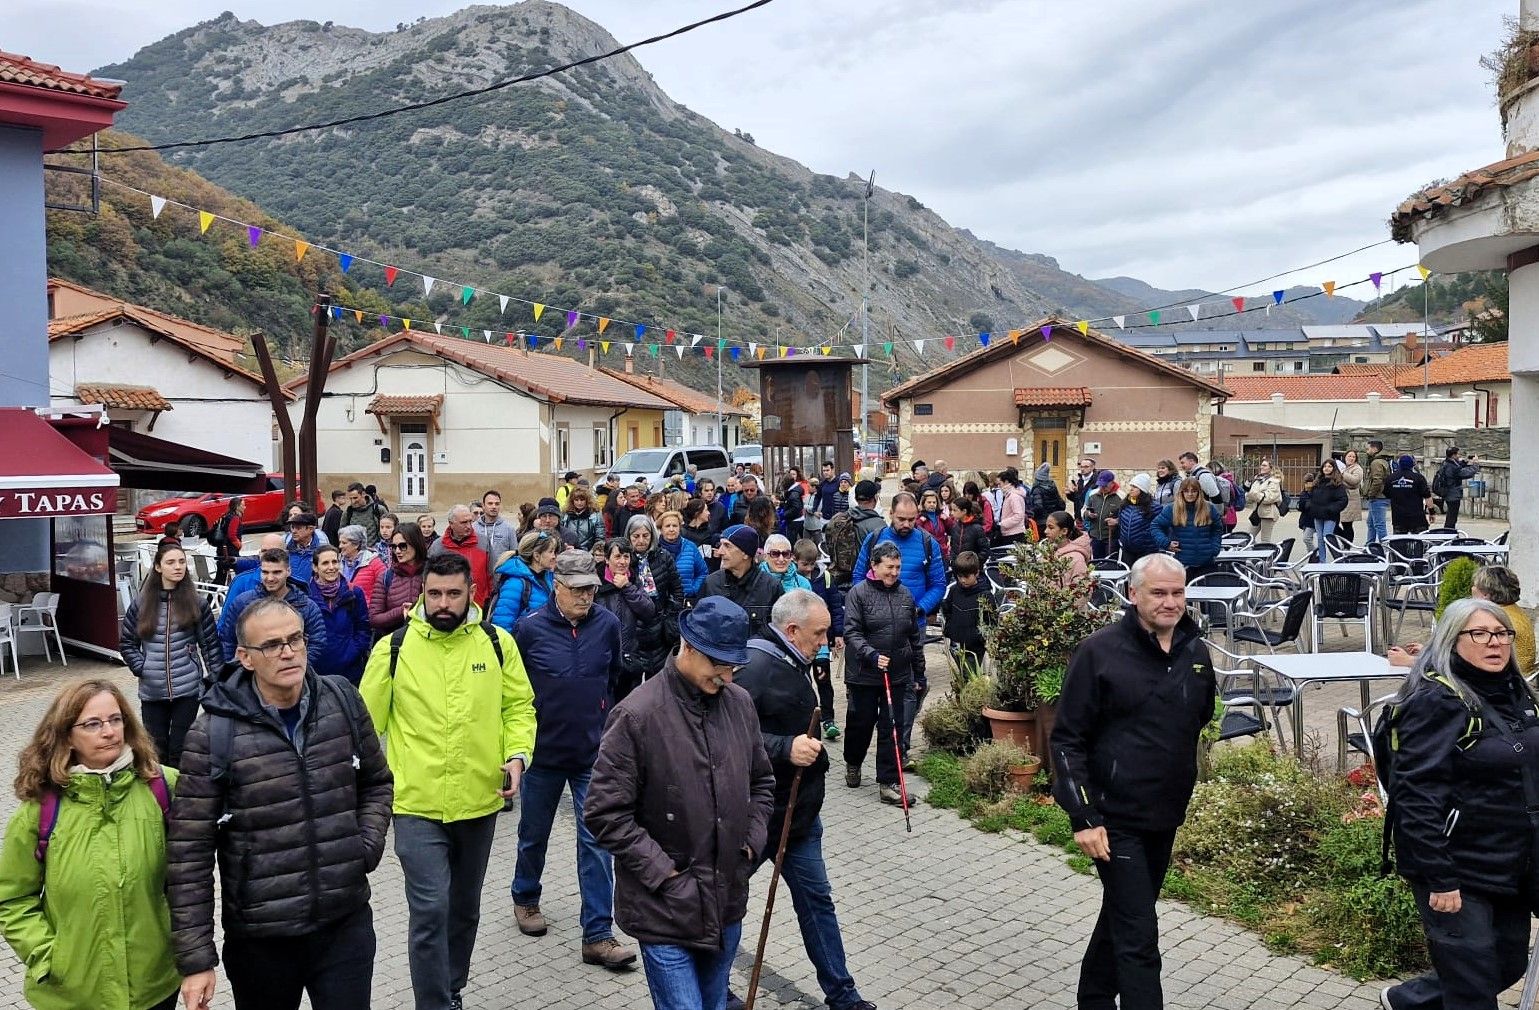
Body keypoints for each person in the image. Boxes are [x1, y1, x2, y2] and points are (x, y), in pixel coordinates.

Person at [169, 597, 393, 1010]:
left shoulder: (342, 701)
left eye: (295, 639)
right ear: (245, 658)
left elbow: (377, 783)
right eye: (272, 645)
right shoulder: (212, 733)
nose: (288, 652)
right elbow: (188, 854)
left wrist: (363, 847)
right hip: (262, 939)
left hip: (344, 924)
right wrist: (197, 958)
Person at [361, 552, 536, 1010]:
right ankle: (434, 1003)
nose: (442, 603)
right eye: (434, 593)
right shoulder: (393, 648)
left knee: (463, 910)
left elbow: (519, 709)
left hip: (480, 800)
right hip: (415, 804)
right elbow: (363, 728)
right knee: (430, 909)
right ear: (422, 592)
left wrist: (517, 756)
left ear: (470, 594)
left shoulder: (497, 644)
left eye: (452, 594)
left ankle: (452, 987)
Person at [585, 597, 774, 1010]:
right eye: (718, 664)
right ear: (688, 646)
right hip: (664, 909)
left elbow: (762, 782)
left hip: (725, 902)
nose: (726, 675)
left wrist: (750, 845)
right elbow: (603, 811)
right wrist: (665, 874)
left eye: (733, 665)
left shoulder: (740, 704)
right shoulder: (637, 714)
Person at [1052, 553, 1214, 1010]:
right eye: (1158, 593)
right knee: (1139, 936)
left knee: (1124, 916)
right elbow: (1067, 741)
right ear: (1133, 595)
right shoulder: (1099, 652)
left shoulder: (1194, 652)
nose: (1170, 602)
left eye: (1178, 592)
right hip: (1112, 819)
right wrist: (1083, 816)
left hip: (1164, 814)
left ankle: (1094, 999)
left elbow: (1200, 714)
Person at [1379, 600, 1539, 1010]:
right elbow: (1415, 796)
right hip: (1457, 868)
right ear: (1452, 641)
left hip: (1510, 864)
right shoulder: (1435, 702)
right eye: (1480, 634)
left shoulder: (1516, 694)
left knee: (1505, 965)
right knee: (1473, 990)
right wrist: (1440, 876)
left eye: (1502, 633)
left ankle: (1408, 1001)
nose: (1495, 643)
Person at [732, 590, 878, 1010]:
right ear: (792, 630)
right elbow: (725, 736)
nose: (826, 641)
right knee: (726, 903)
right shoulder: (753, 667)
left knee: (818, 904)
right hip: (757, 817)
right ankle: (714, 989)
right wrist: (783, 747)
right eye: (819, 633)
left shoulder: (795, 660)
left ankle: (844, 996)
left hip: (800, 816)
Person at [0, 680, 181, 1010]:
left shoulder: (163, 787)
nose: (109, 732)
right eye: (92, 724)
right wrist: (49, 957)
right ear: (67, 734)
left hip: (153, 985)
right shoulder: (40, 809)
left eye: (116, 719)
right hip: (73, 992)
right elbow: (12, 898)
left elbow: (191, 876)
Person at [509, 550, 634, 968]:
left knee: (597, 841)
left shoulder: (608, 625)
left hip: (592, 753)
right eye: (577, 589)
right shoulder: (528, 630)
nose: (586, 596)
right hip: (542, 754)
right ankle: (525, 895)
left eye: (591, 589)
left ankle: (598, 933)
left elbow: (614, 677)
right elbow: (514, 694)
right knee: (533, 833)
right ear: (556, 587)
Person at [120, 541, 220, 767]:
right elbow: (127, 643)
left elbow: (211, 646)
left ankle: (181, 797)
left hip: (188, 689)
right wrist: (142, 667)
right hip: (152, 690)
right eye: (171, 562)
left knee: (181, 747)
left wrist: (216, 681)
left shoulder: (197, 603)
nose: (178, 567)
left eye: (182, 562)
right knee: (156, 749)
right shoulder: (142, 604)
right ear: (158, 567)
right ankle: (160, 796)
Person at [842, 541, 925, 804]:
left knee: (892, 728)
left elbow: (914, 637)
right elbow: (851, 632)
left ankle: (888, 782)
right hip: (864, 674)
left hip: (897, 674)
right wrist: (872, 655)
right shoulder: (858, 593)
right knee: (861, 724)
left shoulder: (905, 595)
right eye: (889, 567)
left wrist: (919, 673)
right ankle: (853, 762)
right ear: (874, 566)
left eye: (898, 567)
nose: (894, 573)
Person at [219, 547, 328, 666]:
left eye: (276, 572)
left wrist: (294, 667)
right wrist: (234, 671)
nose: (270, 578)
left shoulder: (307, 606)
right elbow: (228, 641)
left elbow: (317, 643)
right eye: (265, 572)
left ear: (288, 571)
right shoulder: (242, 603)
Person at [851, 492, 947, 620]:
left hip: (914, 624)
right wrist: (869, 605)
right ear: (891, 514)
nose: (906, 524)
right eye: (901, 519)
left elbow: (939, 585)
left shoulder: (929, 543)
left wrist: (920, 608)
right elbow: (858, 576)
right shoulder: (874, 539)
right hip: (876, 622)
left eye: (911, 519)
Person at [794, 538, 845, 740]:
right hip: (800, 643)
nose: (808, 569)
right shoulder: (793, 580)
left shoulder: (825, 578)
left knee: (823, 679)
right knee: (802, 681)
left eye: (811, 564)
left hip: (822, 641)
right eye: (804, 565)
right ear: (795, 561)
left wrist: (838, 633)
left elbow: (835, 606)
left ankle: (828, 718)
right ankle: (805, 717)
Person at [595, 538, 658, 700]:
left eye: (626, 557)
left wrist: (627, 587)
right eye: (617, 557)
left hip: (631, 659)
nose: (623, 562)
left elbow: (649, 611)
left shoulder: (635, 580)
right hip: (603, 659)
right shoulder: (596, 584)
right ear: (607, 559)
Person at [625, 516, 685, 680]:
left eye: (645, 536)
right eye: (636, 536)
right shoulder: (625, 560)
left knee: (660, 681)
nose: (641, 541)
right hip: (635, 628)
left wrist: (671, 614)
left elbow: (677, 589)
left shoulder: (663, 556)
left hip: (661, 626)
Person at [306, 544, 373, 685]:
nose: (331, 567)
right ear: (315, 567)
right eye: (325, 563)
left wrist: (354, 651)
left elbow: (363, 627)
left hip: (351, 670)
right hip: (318, 671)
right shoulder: (306, 597)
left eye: (334, 562)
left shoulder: (354, 592)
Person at [489, 530, 560, 633]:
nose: (554, 556)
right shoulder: (514, 584)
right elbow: (502, 625)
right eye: (550, 552)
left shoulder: (549, 577)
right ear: (536, 556)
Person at [1152, 478, 1224, 579]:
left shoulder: (1209, 508)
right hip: (1182, 564)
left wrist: (1214, 548)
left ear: (1199, 492)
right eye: (1186, 491)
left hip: (1207, 563)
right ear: (1181, 492)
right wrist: (1166, 543)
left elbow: (1217, 529)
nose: (1190, 494)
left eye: (1194, 491)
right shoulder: (1172, 509)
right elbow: (1155, 526)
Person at [368, 522, 430, 637]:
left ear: (416, 544)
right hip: (395, 644)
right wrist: (401, 611)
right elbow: (374, 618)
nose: (397, 551)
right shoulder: (386, 577)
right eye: (393, 546)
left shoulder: (434, 573)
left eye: (402, 546)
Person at [1472, 566, 1536, 677]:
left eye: (1474, 586)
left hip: (1506, 681)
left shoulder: (1495, 620)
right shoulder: (1515, 610)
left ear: (1485, 595)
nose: (1472, 589)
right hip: (1521, 676)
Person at [430, 504, 493, 607]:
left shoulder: (483, 542)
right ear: (451, 524)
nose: (468, 526)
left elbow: (492, 573)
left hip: (479, 603)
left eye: (470, 521)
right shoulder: (438, 547)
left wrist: (490, 599)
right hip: (448, 606)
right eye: (464, 523)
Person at [940, 551, 989, 674]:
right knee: (963, 674)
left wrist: (980, 638)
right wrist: (950, 630)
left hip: (975, 647)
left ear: (976, 573)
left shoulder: (985, 596)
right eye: (959, 576)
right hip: (956, 643)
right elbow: (948, 611)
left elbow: (990, 621)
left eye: (966, 577)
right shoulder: (954, 590)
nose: (962, 580)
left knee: (971, 677)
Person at [656, 510, 707, 600]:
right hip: (662, 603)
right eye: (667, 526)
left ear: (680, 527)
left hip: (686, 601)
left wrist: (693, 589)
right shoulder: (654, 549)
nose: (671, 529)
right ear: (661, 529)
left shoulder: (690, 547)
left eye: (675, 526)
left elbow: (703, 573)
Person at [1306, 459, 1349, 563]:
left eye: (1329, 466)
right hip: (1317, 514)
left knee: (1327, 536)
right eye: (1325, 466)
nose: (1327, 468)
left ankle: (1338, 559)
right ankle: (1322, 561)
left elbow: (1343, 500)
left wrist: (1332, 509)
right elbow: (1311, 496)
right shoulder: (1317, 482)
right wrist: (1309, 506)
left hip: (1330, 515)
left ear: (1333, 468)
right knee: (1320, 538)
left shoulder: (1337, 484)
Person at [1434, 446, 1481, 531]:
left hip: (1448, 493)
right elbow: (1465, 473)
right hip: (1453, 494)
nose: (1459, 456)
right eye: (1458, 454)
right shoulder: (1452, 467)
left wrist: (1465, 461)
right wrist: (1475, 464)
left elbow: (1458, 467)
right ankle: (1448, 533)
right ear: (1453, 455)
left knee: (1451, 516)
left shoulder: (1446, 463)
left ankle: (1448, 532)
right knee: (1452, 517)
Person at [1116, 474, 1159, 565]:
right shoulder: (1125, 505)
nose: (1131, 489)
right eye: (1131, 486)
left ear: (1142, 490)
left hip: (1146, 551)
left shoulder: (1154, 507)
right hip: (1127, 550)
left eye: (1135, 487)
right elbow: (1121, 523)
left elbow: (1158, 528)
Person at [1386, 454, 1434, 535]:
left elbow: (1387, 494)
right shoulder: (1419, 478)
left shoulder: (1391, 478)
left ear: (1399, 464)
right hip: (1417, 517)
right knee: (1421, 542)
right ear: (1412, 465)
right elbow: (1427, 497)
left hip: (1398, 518)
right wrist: (1432, 512)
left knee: (1399, 544)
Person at [338, 524, 386, 601]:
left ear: (356, 544)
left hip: (367, 610)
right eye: (340, 542)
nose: (340, 546)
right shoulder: (337, 562)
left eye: (344, 543)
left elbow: (385, 587)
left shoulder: (374, 563)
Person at [1043, 511, 1093, 585]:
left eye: (1051, 528)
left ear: (1064, 531)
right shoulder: (1047, 553)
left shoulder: (1076, 559)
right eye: (1046, 527)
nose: (1045, 531)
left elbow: (1082, 590)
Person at [1083, 471, 1122, 561]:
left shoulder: (1121, 496)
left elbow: (1127, 516)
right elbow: (1084, 511)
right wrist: (1088, 514)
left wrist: (1117, 521)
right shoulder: (1093, 494)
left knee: (1110, 564)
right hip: (1095, 537)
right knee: (1097, 564)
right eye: (1100, 485)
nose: (1102, 488)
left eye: (1105, 485)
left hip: (1111, 538)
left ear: (1112, 483)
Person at [1244, 460, 1284, 546]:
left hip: (1268, 513)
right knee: (1249, 537)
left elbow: (1269, 498)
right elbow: (1250, 497)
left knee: (1265, 540)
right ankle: (1256, 553)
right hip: (1257, 511)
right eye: (1261, 465)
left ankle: (1266, 557)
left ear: (1271, 468)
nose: (1261, 467)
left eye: (1264, 465)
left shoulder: (1274, 481)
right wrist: (1248, 495)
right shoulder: (1258, 480)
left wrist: (1252, 494)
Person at [1363, 439, 1392, 545]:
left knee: (1379, 525)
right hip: (1380, 497)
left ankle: (1384, 548)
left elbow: (1377, 480)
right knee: (1371, 523)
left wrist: (1371, 494)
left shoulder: (1376, 462)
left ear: (1374, 449)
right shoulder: (1383, 460)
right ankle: (1369, 545)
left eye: (1368, 448)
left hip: (1378, 497)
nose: (1367, 451)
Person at [916, 488, 954, 565]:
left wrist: (947, 520)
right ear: (923, 503)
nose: (932, 504)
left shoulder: (941, 516)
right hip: (927, 553)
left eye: (934, 502)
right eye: (929, 502)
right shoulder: (919, 517)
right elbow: (916, 532)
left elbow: (952, 530)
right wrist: (920, 521)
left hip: (943, 552)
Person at [212, 495, 245, 584]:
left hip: (221, 550)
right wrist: (239, 544)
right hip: (230, 552)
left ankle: (211, 596)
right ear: (237, 507)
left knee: (219, 578)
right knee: (243, 570)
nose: (244, 507)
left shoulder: (224, 516)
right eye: (243, 505)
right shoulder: (235, 518)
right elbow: (232, 535)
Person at [562, 486, 606, 551]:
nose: (579, 503)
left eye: (582, 500)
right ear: (572, 501)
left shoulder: (595, 515)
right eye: (576, 500)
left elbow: (600, 538)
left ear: (587, 500)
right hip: (569, 553)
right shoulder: (565, 515)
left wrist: (592, 553)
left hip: (588, 554)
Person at [999, 466, 1034, 543]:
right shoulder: (1010, 495)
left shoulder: (1014, 496)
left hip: (1014, 533)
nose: (999, 486)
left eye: (1000, 483)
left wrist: (1002, 524)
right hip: (1011, 532)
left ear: (1006, 482)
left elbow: (1018, 515)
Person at [949, 498, 990, 563]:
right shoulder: (955, 527)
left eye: (955, 510)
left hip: (972, 570)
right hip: (958, 568)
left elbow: (985, 551)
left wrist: (973, 564)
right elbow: (952, 548)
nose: (952, 513)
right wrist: (953, 561)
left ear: (964, 511)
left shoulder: (977, 528)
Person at [1339, 450, 1364, 543]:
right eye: (1349, 456)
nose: (1351, 458)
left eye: (1353, 457)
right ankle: (1345, 541)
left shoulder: (1357, 468)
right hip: (1341, 498)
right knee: (1336, 523)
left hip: (1351, 500)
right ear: (1345, 457)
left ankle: (1347, 545)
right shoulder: (1344, 467)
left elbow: (1354, 481)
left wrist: (1342, 473)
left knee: (1347, 524)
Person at [1068, 457, 1097, 522]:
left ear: (1092, 467)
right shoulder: (1079, 480)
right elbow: (1076, 499)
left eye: (1086, 467)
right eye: (1081, 467)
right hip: (1078, 516)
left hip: (1090, 517)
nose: (1082, 469)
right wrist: (1070, 493)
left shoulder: (1096, 481)